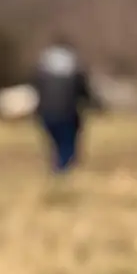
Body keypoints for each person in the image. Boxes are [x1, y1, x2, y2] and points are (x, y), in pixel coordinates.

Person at [30, 36, 100, 174]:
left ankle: (60, 168)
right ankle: (64, 169)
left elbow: (35, 92)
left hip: (46, 114)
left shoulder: (42, 73)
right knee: (68, 142)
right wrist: (94, 105)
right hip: (68, 113)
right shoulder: (75, 72)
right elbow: (85, 94)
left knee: (56, 142)